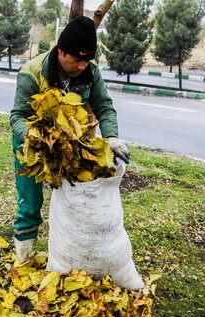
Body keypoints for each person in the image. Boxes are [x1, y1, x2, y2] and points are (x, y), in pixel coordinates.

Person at [10, 16, 130, 262]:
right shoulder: (31, 73)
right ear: (62, 51)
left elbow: (104, 107)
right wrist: (38, 139)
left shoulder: (90, 73)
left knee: (76, 198)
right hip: (33, 145)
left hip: (73, 145)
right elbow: (17, 118)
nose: (82, 66)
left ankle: (73, 255)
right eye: (77, 60)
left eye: (87, 61)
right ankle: (24, 255)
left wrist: (112, 137)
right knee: (29, 203)